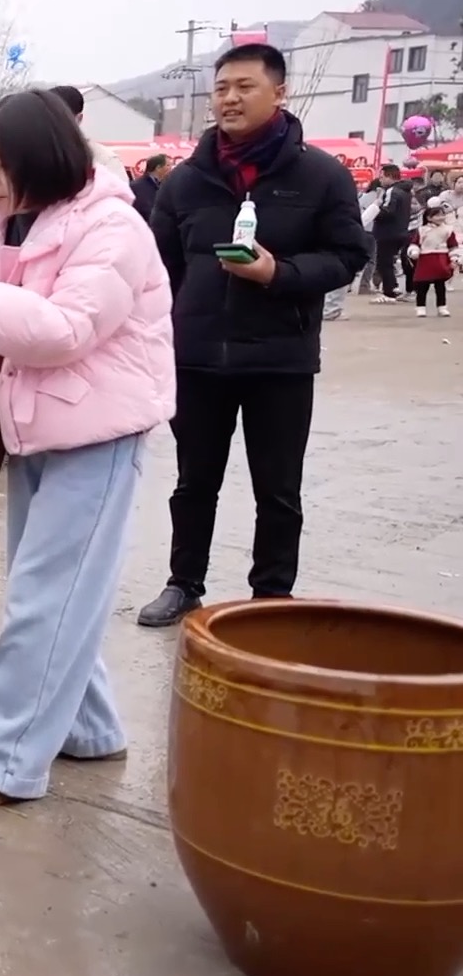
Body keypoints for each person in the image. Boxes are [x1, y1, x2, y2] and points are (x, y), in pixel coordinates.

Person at [0, 89, 176, 811]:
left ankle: (2, 757)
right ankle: (89, 726)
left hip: (96, 433)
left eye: (1, 163)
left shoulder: (112, 226)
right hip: (27, 428)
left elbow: (63, 332)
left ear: (42, 158)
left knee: (45, 596)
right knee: (51, 590)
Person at [136, 43, 367, 628]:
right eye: (222, 89)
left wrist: (277, 274)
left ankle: (271, 597)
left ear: (279, 93)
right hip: (198, 359)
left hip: (280, 359)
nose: (230, 99)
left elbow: (347, 255)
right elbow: (159, 267)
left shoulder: (321, 176)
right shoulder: (186, 182)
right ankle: (184, 583)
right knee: (193, 483)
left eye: (244, 87)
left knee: (278, 488)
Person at [48, 85, 130, 180]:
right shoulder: (37, 157)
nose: (53, 124)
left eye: (60, 118)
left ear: (79, 119)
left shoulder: (105, 160)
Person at [370, 163, 415, 304]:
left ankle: (389, 291)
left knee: (384, 262)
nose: (380, 180)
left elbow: (388, 211)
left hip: (388, 232)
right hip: (402, 230)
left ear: (389, 176)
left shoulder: (392, 191)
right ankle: (403, 289)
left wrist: (374, 212)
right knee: (397, 261)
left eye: (382, 177)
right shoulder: (406, 191)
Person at [407, 202, 455, 318]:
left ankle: (442, 307)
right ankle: (421, 307)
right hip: (425, 259)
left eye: (442, 215)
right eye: (437, 215)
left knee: (440, 285)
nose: (441, 217)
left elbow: (453, 246)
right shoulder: (422, 230)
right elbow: (415, 243)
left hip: (441, 259)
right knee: (422, 286)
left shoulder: (448, 230)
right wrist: (414, 251)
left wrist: (455, 257)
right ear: (429, 218)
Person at [131, 154, 170, 221]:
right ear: (158, 168)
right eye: (168, 165)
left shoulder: (166, 184)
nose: (171, 168)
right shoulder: (136, 186)